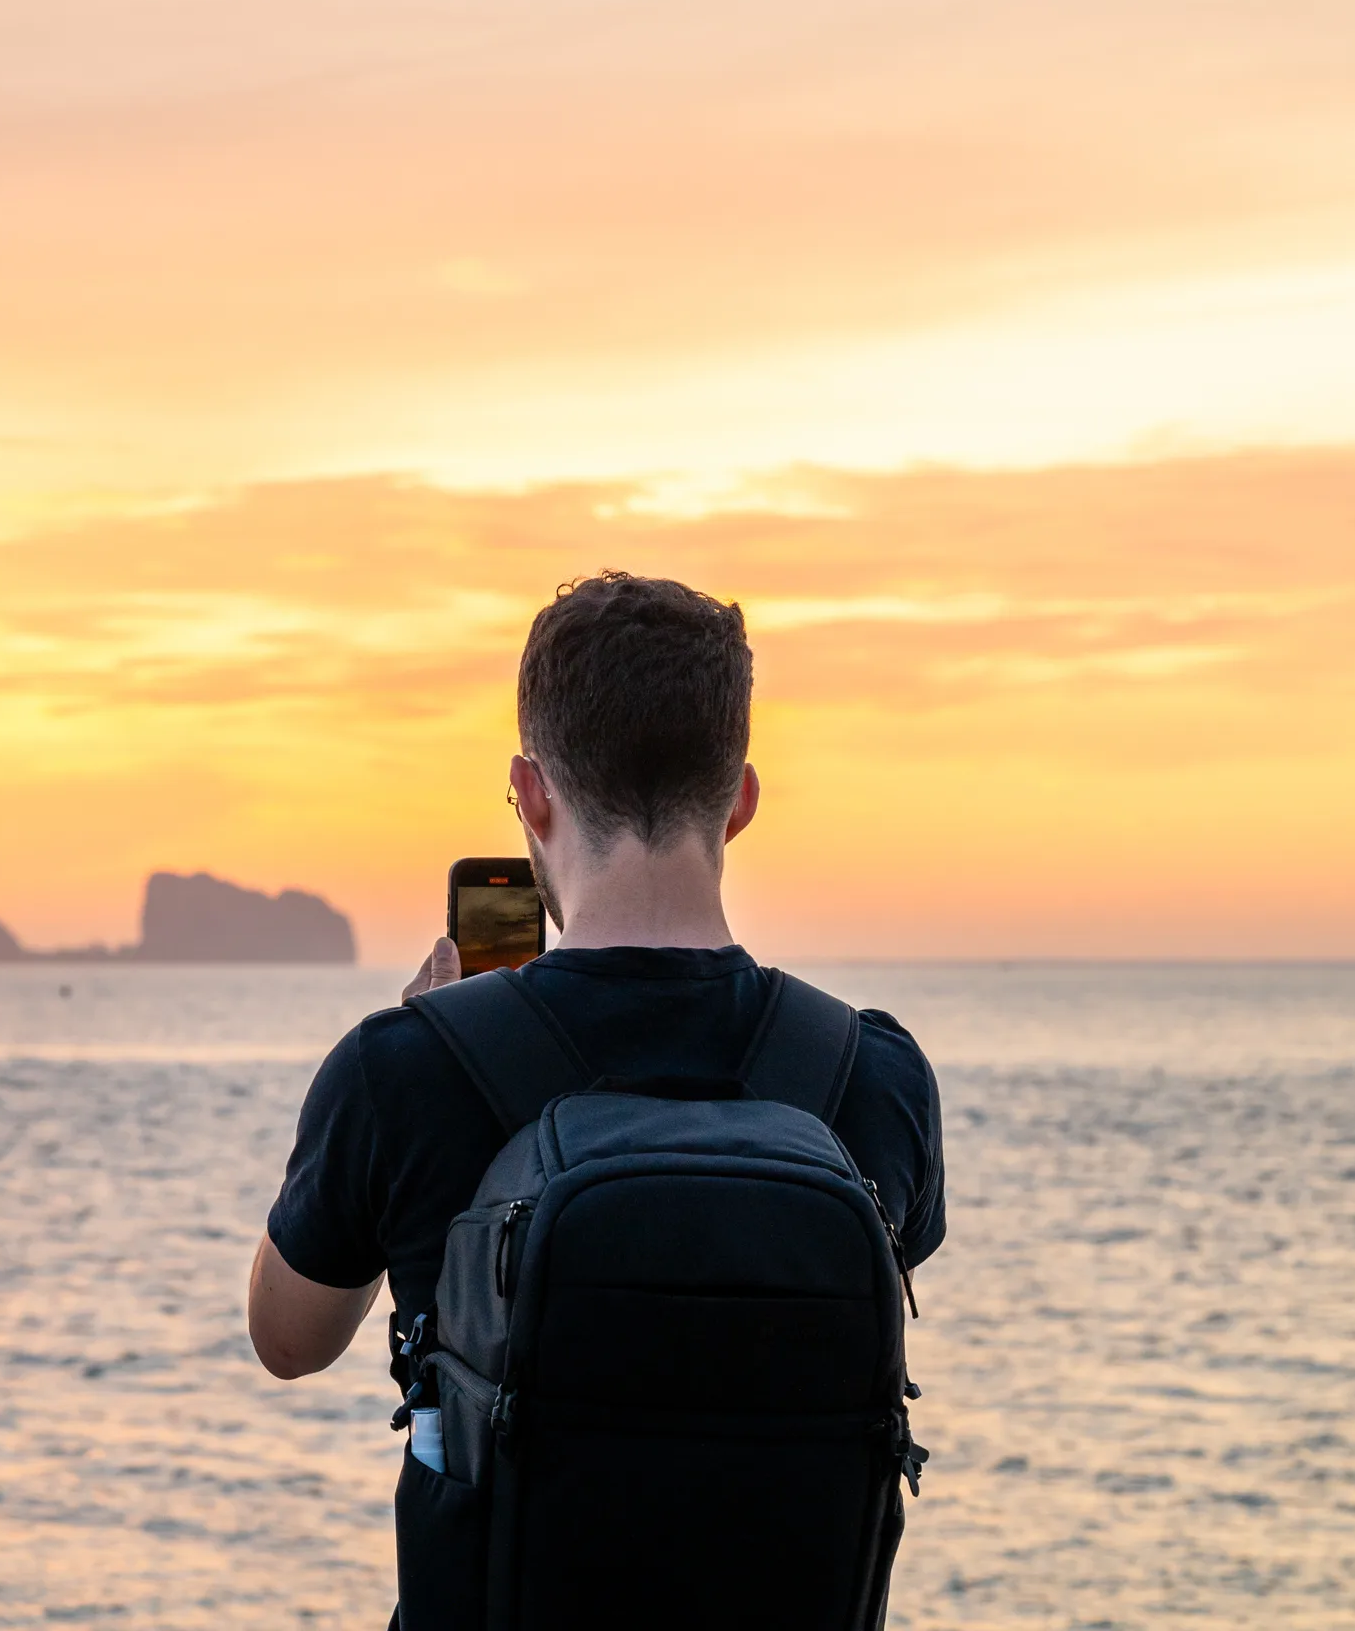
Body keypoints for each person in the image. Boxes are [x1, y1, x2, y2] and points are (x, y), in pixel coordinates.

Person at [246, 571, 946, 1624]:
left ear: (530, 793)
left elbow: (287, 1339)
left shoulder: (405, 1067)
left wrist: (435, 1044)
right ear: (741, 798)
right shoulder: (867, 1072)